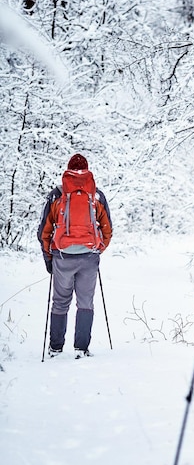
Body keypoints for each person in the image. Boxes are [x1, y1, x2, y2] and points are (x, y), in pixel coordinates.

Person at [38, 154, 112, 359]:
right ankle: (81, 348)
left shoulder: (56, 195)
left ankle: (55, 348)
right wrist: (97, 249)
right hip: (89, 257)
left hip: (62, 256)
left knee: (60, 301)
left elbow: (43, 231)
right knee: (85, 302)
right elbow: (107, 229)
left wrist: (49, 258)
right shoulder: (96, 196)